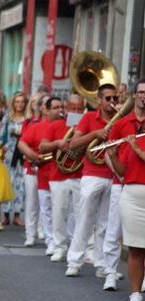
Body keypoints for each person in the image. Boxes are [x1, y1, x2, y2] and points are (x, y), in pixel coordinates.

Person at [64, 84, 118, 276]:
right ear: (99, 101)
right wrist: (95, 134)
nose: (113, 102)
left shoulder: (120, 120)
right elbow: (73, 144)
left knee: (106, 222)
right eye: (108, 98)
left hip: (114, 175)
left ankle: (101, 263)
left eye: (115, 99)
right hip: (92, 174)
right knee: (85, 219)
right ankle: (74, 261)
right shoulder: (88, 117)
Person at [98, 79, 145, 291]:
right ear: (135, 94)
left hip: (137, 183)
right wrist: (113, 160)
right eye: (141, 92)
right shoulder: (120, 123)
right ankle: (110, 272)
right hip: (122, 182)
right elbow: (110, 152)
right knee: (114, 230)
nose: (144, 96)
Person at [40, 95, 85, 264]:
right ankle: (59, 247)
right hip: (58, 175)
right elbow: (42, 146)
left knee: (82, 214)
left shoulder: (86, 125)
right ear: (66, 108)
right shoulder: (56, 125)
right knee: (59, 212)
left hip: (80, 175)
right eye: (73, 109)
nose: (76, 112)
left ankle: (81, 248)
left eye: (79, 109)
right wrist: (58, 143)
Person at [107, 117, 145, 301]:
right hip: (131, 196)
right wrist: (113, 155)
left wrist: (136, 148)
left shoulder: (135, 142)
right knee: (135, 247)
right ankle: (135, 294)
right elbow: (123, 171)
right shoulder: (135, 138)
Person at [18, 94, 54, 251]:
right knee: (33, 202)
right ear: (43, 108)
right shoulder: (35, 125)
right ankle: (30, 234)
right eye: (48, 105)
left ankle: (46, 234)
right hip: (33, 168)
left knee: (49, 205)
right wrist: (32, 155)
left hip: (52, 170)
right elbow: (23, 143)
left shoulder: (62, 125)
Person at [0, 92, 28, 226]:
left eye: (22, 101)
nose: (19, 104)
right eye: (17, 101)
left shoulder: (28, 118)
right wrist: (1, 148)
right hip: (9, 154)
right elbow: (1, 135)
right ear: (13, 103)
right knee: (7, 184)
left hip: (22, 154)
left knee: (20, 185)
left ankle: (17, 215)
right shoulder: (8, 118)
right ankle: (5, 216)